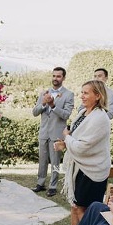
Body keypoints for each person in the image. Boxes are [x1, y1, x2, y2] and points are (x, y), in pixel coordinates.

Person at [53, 80, 110, 225]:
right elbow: (78, 139)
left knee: (84, 210)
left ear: (98, 95)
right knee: (75, 208)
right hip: (79, 168)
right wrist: (65, 144)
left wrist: (66, 137)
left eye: (86, 93)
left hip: (92, 171)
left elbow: (82, 147)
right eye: (82, 92)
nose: (82, 96)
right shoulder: (83, 113)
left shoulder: (100, 118)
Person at [31, 67, 74, 197]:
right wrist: (44, 104)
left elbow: (66, 115)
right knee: (42, 159)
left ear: (63, 78)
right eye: (54, 76)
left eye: (58, 76)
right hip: (44, 132)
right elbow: (34, 112)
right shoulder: (44, 93)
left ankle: (53, 185)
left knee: (55, 161)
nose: (55, 78)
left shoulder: (68, 94)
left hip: (57, 133)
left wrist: (53, 106)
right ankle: (40, 183)